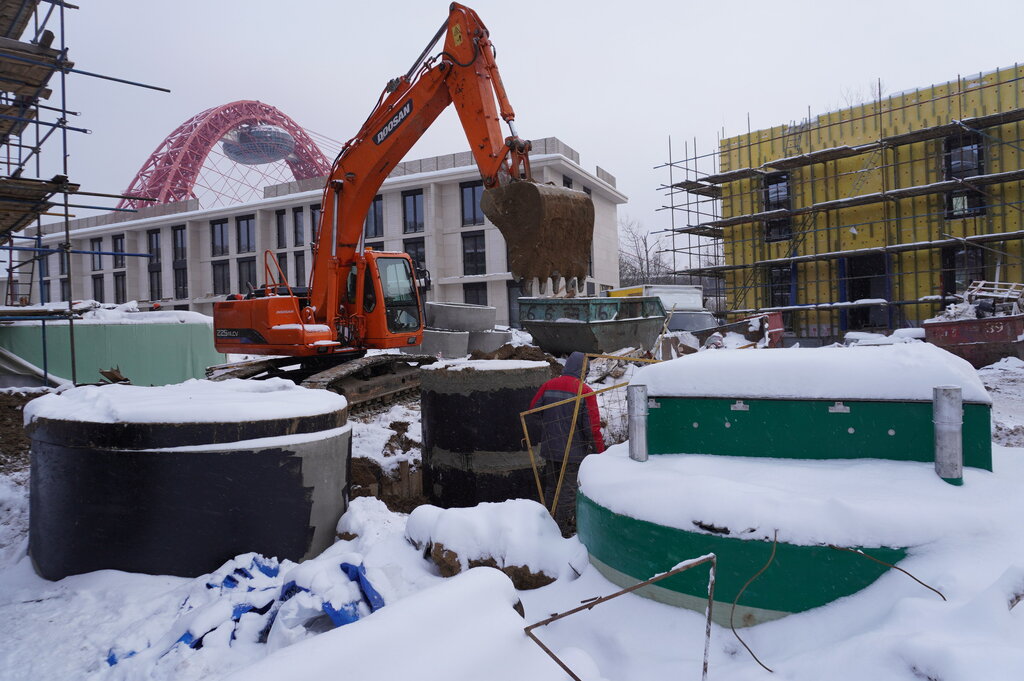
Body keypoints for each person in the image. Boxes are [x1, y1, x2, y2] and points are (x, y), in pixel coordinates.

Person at [528, 351, 604, 535]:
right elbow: (591, 428)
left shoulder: (548, 385)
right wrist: (600, 452)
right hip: (573, 452)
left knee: (551, 487)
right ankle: (560, 531)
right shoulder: (584, 391)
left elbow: (532, 411)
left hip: (550, 448)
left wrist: (550, 426)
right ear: (583, 370)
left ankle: (545, 525)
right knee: (567, 492)